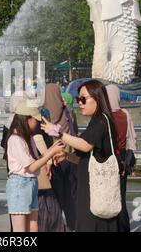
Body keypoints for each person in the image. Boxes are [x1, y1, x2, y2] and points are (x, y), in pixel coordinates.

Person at [41, 80, 119, 232]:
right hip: (91, 186)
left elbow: (85, 144)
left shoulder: (101, 121)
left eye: (83, 99)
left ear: (97, 98)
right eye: (78, 99)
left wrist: (58, 133)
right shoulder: (97, 120)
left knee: (92, 224)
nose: (80, 103)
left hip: (97, 187)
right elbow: (88, 153)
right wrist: (67, 156)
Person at [4, 100, 65, 232]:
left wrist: (52, 150)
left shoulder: (28, 138)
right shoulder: (15, 139)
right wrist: (51, 153)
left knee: (33, 226)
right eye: (35, 119)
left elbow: (36, 162)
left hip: (31, 183)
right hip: (19, 185)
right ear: (27, 118)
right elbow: (31, 167)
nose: (37, 123)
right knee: (20, 229)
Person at [42, 83, 78, 231]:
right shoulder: (68, 111)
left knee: (53, 198)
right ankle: (72, 225)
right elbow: (75, 132)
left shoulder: (42, 115)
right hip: (68, 159)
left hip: (50, 162)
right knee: (70, 196)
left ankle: (56, 226)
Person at [106, 85, 137, 232]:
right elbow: (132, 137)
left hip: (107, 158)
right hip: (123, 159)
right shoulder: (125, 113)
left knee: (108, 196)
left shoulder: (104, 116)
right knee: (121, 196)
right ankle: (124, 228)